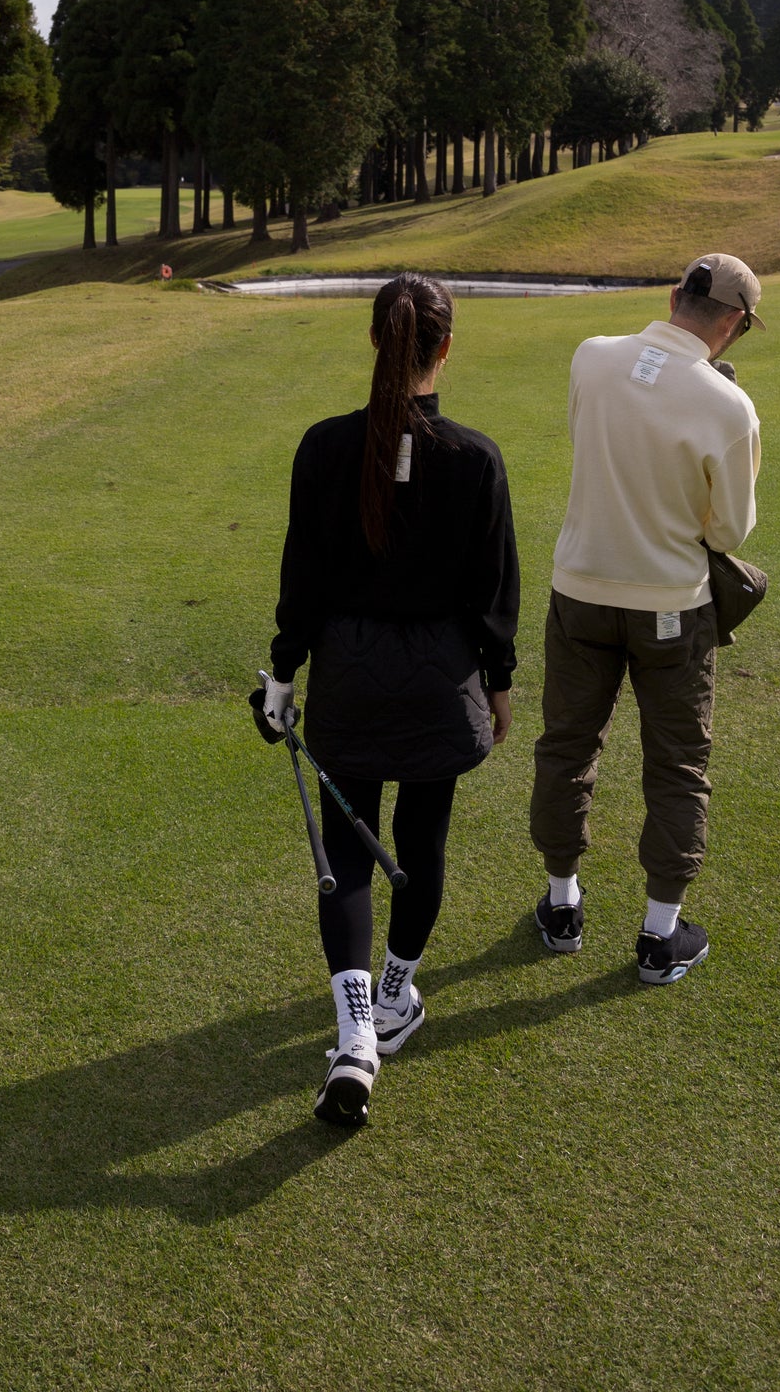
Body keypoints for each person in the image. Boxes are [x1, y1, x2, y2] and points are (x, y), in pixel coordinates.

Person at [258, 273, 519, 1127]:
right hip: (440, 683)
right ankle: (395, 995)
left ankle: (356, 1037)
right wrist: (501, 684)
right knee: (421, 842)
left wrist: (282, 676)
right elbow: (493, 592)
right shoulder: (474, 459)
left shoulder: (324, 447)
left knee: (347, 852)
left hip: (349, 679)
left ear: (376, 340)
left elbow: (301, 582)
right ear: (445, 348)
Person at [529, 253, 763, 986]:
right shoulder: (730, 407)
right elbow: (729, 532)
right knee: (677, 764)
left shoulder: (590, 357)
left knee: (567, 746)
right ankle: (661, 936)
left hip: (580, 591)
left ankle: (562, 905)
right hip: (671, 608)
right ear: (735, 322)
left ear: (673, 297)